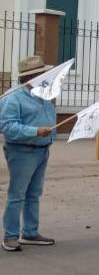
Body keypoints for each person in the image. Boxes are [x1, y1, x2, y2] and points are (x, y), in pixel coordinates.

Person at [0, 56, 57, 252]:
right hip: (21, 151)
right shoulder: (12, 97)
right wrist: (35, 131)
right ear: (30, 77)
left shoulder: (44, 94)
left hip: (42, 149)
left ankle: (30, 232)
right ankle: (10, 236)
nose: (46, 77)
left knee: (33, 194)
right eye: (42, 74)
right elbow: (7, 126)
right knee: (17, 194)